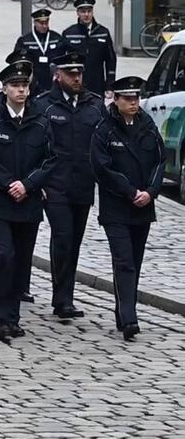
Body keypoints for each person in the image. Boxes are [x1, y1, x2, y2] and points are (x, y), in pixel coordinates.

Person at [0, 62, 56, 341]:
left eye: (25, 86)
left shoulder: (41, 121)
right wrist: (9, 184)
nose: (21, 90)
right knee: (4, 255)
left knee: (21, 261)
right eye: (16, 86)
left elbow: (50, 159)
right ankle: (1, 316)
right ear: (5, 89)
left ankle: (13, 316)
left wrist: (28, 184)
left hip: (28, 202)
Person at [90, 76, 165, 341]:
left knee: (135, 260)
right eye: (128, 99)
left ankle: (123, 310)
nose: (134, 103)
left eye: (136, 98)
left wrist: (150, 192)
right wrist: (129, 191)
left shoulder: (147, 125)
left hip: (143, 206)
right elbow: (102, 167)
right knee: (124, 262)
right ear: (116, 100)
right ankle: (130, 316)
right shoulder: (104, 128)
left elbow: (159, 161)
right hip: (117, 207)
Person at [33, 50, 105, 317]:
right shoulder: (43, 105)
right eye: (71, 74)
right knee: (62, 237)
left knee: (74, 241)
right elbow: (34, 144)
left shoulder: (94, 104)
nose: (77, 78)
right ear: (58, 75)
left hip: (83, 184)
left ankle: (66, 294)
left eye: (79, 73)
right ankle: (61, 299)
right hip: (55, 184)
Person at [62, 0, 116, 96]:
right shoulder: (69, 33)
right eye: (83, 11)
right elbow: (61, 60)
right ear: (77, 13)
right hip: (75, 84)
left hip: (97, 85)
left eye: (89, 11)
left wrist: (110, 85)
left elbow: (110, 60)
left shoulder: (103, 32)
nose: (86, 14)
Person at [13, 9, 64, 95]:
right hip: (33, 82)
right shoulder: (25, 41)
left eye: (46, 23)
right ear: (35, 23)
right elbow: (17, 60)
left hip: (53, 81)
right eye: (41, 23)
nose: (44, 26)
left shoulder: (57, 38)